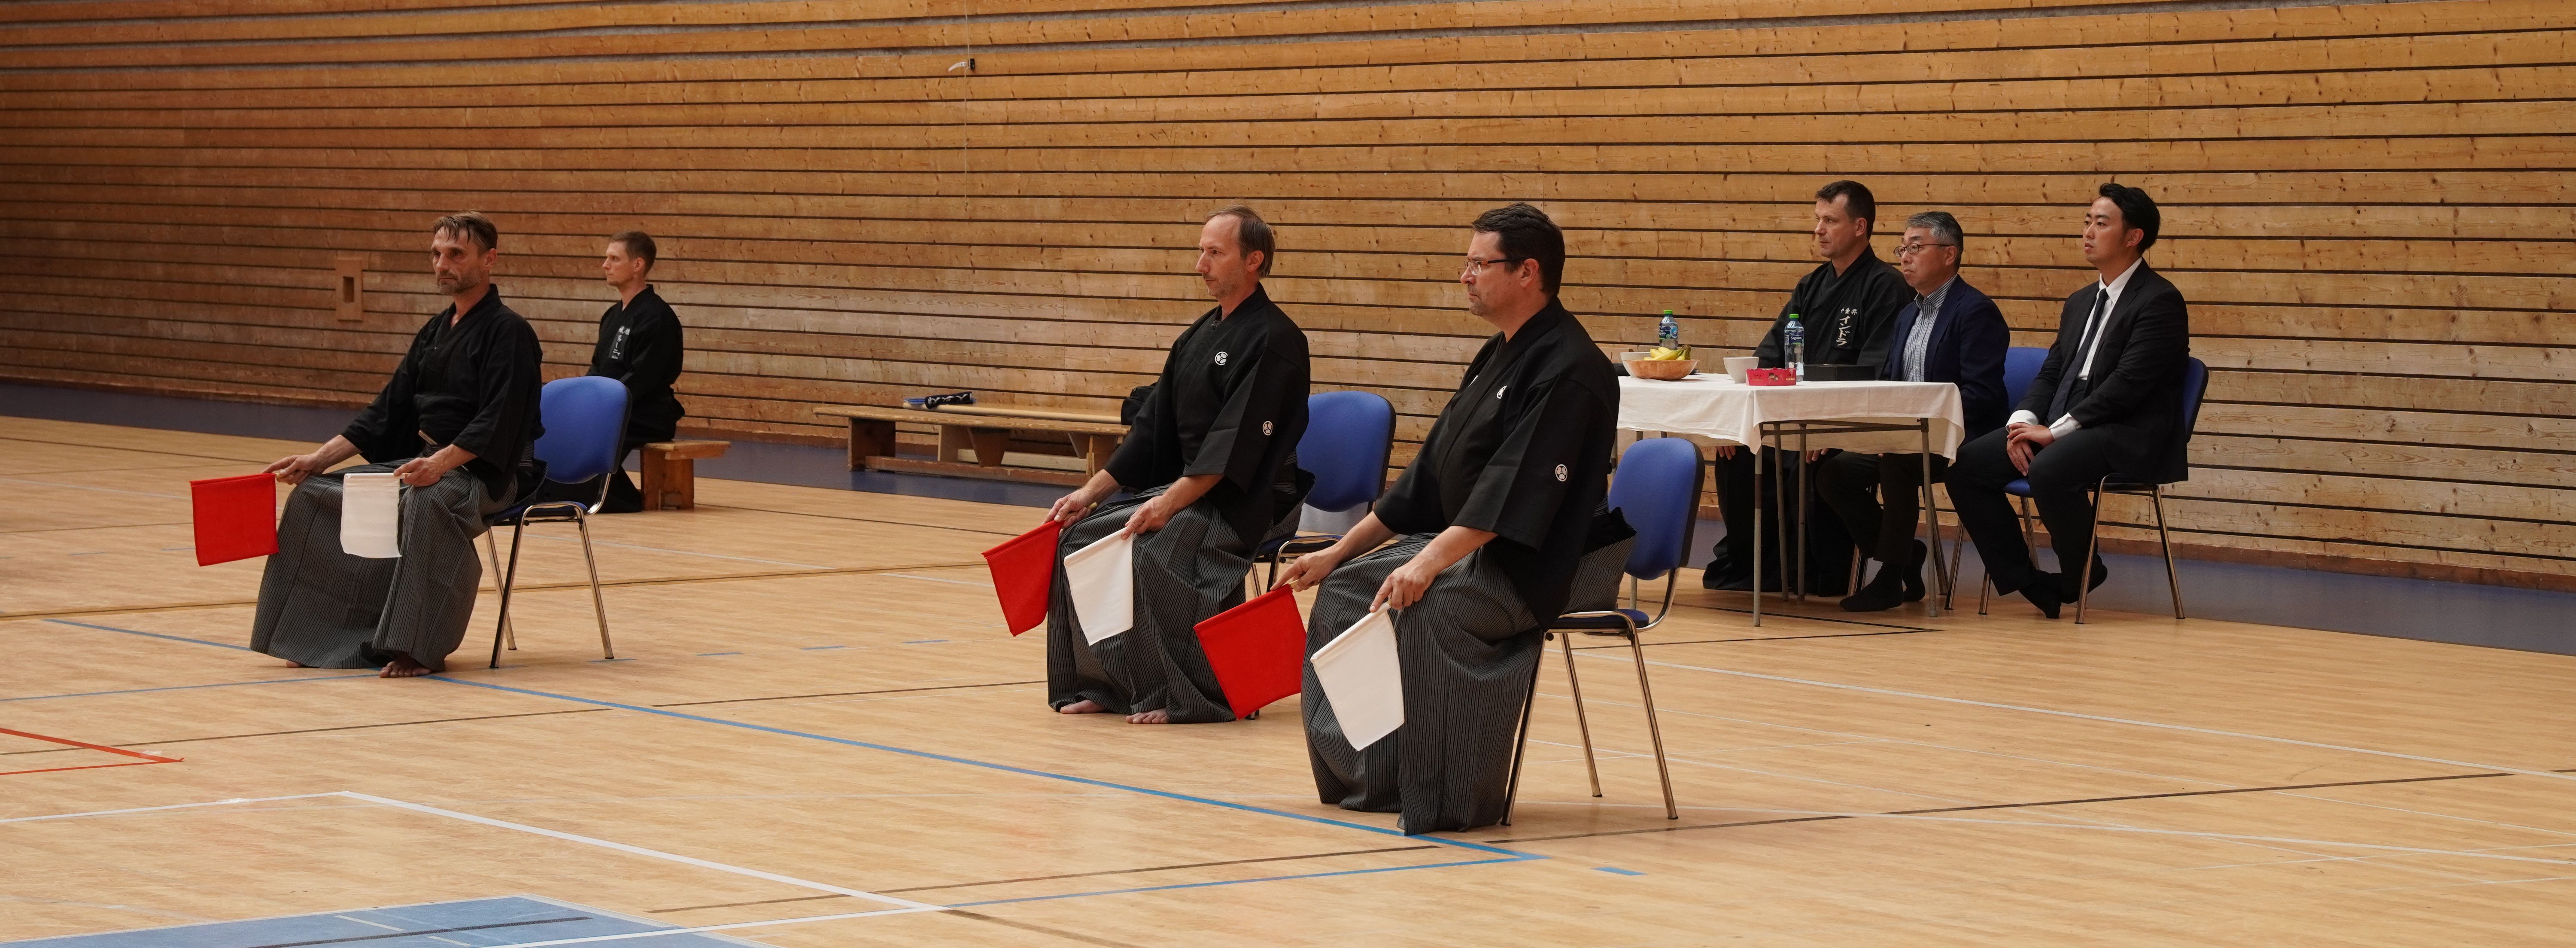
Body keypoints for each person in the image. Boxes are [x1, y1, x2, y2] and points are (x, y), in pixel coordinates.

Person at [1277, 203, 1627, 835]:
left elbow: (1511, 494)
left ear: (1527, 272)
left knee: (1430, 605)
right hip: (1468, 548)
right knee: (1349, 588)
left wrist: (1427, 562)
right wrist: (1337, 551)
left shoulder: (1572, 369)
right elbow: (1428, 477)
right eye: (1465, 264)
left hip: (1532, 565)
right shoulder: (1497, 354)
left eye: (1479, 264)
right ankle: (1372, 777)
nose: (1465, 276)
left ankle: (1447, 795)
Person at [1045, 205, 1313, 724]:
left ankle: (1191, 693)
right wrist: (1089, 493)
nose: (1200, 265)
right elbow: (1153, 429)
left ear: (1254, 260)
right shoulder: (1197, 337)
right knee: (1081, 538)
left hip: (1249, 498)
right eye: (1201, 252)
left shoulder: (1276, 340)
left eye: (1215, 253)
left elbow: (1233, 448)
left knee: (1155, 546)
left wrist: (1165, 505)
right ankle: (1112, 683)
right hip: (1193, 490)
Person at [251, 213, 544, 677]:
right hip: (427, 462)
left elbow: (500, 418)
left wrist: (441, 464)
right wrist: (318, 459)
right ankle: (324, 638)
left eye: (456, 254)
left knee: (426, 501)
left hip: (488, 470)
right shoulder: (435, 330)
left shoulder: (509, 332)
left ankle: (416, 647)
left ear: (489, 259)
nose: (442, 264)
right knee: (313, 495)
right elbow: (387, 409)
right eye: (436, 254)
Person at [1948, 183, 2190, 619]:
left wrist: (2054, 432)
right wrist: (2021, 425)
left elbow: (2127, 386)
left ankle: (2082, 570)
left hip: (2128, 428)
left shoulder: (2160, 300)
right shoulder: (2080, 301)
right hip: (2071, 418)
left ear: (2134, 236)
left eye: (2102, 223)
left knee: (2049, 466)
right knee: (1966, 467)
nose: (2088, 232)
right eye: (2087, 222)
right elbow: (2052, 373)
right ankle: (2028, 581)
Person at [1703, 180, 1912, 592]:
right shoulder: (1811, 285)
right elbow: (1769, 356)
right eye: (1818, 220)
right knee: (1737, 452)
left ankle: (1816, 570)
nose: (1818, 230)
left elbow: (1874, 371)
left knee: (1812, 457)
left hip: (1846, 422)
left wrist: (1827, 425)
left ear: (1860, 227)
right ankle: (1757, 564)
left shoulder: (1886, 286)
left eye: (1830, 220)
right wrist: (1736, 420)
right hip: (1793, 418)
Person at [1817, 211, 2009, 611]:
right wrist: (1880, 430)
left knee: (1898, 462)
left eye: (1916, 248)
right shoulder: (1908, 314)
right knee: (1835, 472)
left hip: (1959, 436)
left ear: (1950, 254)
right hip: (1906, 435)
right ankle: (1907, 558)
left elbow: (1981, 395)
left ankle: (1889, 577)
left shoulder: (1975, 311)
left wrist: (1912, 431)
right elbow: (1891, 384)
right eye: (1902, 248)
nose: (1905, 257)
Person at [585, 230, 685, 513]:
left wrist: (604, 407)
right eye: (607, 258)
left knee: (593, 431)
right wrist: (584, 400)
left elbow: (643, 378)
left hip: (647, 412)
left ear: (638, 265)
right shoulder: (612, 316)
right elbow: (597, 367)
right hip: (614, 408)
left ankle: (622, 499)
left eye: (614, 259)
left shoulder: (658, 317)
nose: (606, 265)